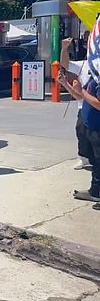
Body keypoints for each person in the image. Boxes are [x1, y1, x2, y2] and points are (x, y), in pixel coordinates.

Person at [58, 39, 100, 204]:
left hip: (95, 120)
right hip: (88, 116)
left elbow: (95, 101)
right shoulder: (86, 65)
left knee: (97, 156)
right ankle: (95, 187)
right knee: (89, 147)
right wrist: (67, 85)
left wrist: (80, 90)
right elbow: (65, 64)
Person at [59, 37, 93, 171]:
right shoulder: (84, 64)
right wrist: (64, 48)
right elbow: (65, 63)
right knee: (81, 131)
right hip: (83, 104)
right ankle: (84, 158)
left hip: (95, 102)